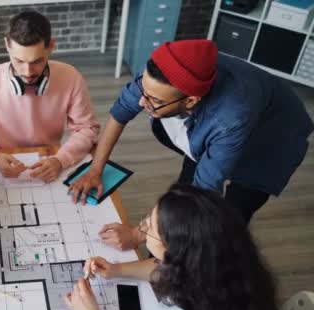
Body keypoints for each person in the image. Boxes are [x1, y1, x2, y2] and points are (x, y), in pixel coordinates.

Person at [69, 39, 313, 250]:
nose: (142, 102)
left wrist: (137, 234)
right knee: (186, 186)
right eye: (143, 90)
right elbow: (120, 112)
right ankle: (167, 241)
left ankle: (215, 260)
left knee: (229, 217)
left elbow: (202, 191)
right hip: (228, 118)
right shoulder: (160, 74)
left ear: (190, 101)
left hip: (272, 139)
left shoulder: (229, 118)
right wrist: (95, 170)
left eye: (153, 100)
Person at [66, 184, 285, 310]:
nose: (142, 230)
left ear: (176, 253)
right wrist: (116, 270)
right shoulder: (224, 264)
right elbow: (163, 268)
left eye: (149, 228)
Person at [0, 11, 100, 183]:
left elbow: (87, 129)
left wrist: (60, 160)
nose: (27, 72)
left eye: (37, 61)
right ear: (7, 45)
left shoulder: (71, 77)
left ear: (51, 46)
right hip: (0, 160)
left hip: (50, 158)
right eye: (18, 61)